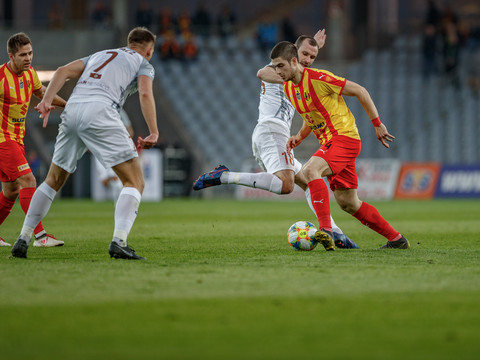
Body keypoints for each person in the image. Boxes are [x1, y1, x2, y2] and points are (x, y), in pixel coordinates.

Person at [193, 30, 358, 250]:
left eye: (312, 57)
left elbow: (305, 71)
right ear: (293, 55)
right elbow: (262, 72)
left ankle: (336, 233)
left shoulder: (301, 74)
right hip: (271, 129)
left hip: (271, 132)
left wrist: (314, 47)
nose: (308, 61)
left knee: (309, 183)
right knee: (286, 185)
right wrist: (291, 66)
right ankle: (224, 176)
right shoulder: (281, 67)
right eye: (304, 55)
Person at [11, 27, 159, 259]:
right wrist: (153, 131)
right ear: (149, 50)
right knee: (134, 181)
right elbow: (145, 93)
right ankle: (119, 241)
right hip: (101, 110)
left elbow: (62, 71)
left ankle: (23, 237)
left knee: (52, 180)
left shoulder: (100, 55)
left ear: (129, 43)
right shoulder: (143, 63)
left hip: (73, 109)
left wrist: (47, 100)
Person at [270, 40, 410, 250]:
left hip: (344, 137)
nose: (277, 71)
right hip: (332, 142)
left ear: (292, 61)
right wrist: (299, 136)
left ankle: (326, 230)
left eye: (280, 66)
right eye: (274, 67)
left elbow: (361, 91)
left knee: (310, 170)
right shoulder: (290, 88)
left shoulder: (319, 78)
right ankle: (397, 240)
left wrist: (377, 124)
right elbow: (312, 116)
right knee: (348, 202)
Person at [0, 32, 66, 248]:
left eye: (30, 53)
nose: (28, 58)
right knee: (28, 180)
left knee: (10, 191)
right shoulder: (1, 77)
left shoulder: (30, 75)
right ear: (11, 56)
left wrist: (70, 105)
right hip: (2, 139)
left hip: (17, 138)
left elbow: (44, 93)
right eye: (22, 55)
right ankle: (40, 236)